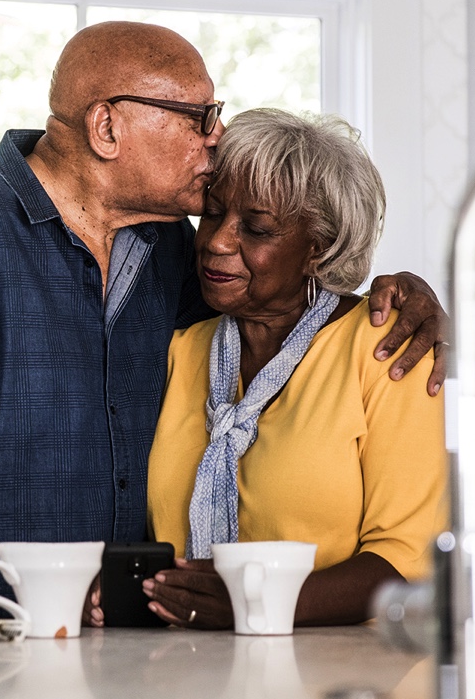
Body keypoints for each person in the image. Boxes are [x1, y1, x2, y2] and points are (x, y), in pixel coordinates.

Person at [0, 22, 447, 631]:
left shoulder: (173, 255)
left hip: (125, 671)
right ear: (107, 126)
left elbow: (291, 307)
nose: (217, 135)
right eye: (198, 115)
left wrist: (406, 294)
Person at [143, 108, 446, 629]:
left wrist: (255, 601)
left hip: (339, 679)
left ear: (319, 248)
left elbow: (408, 558)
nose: (216, 241)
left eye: (256, 229)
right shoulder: (183, 349)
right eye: (212, 214)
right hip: (181, 667)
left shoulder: (388, 344)